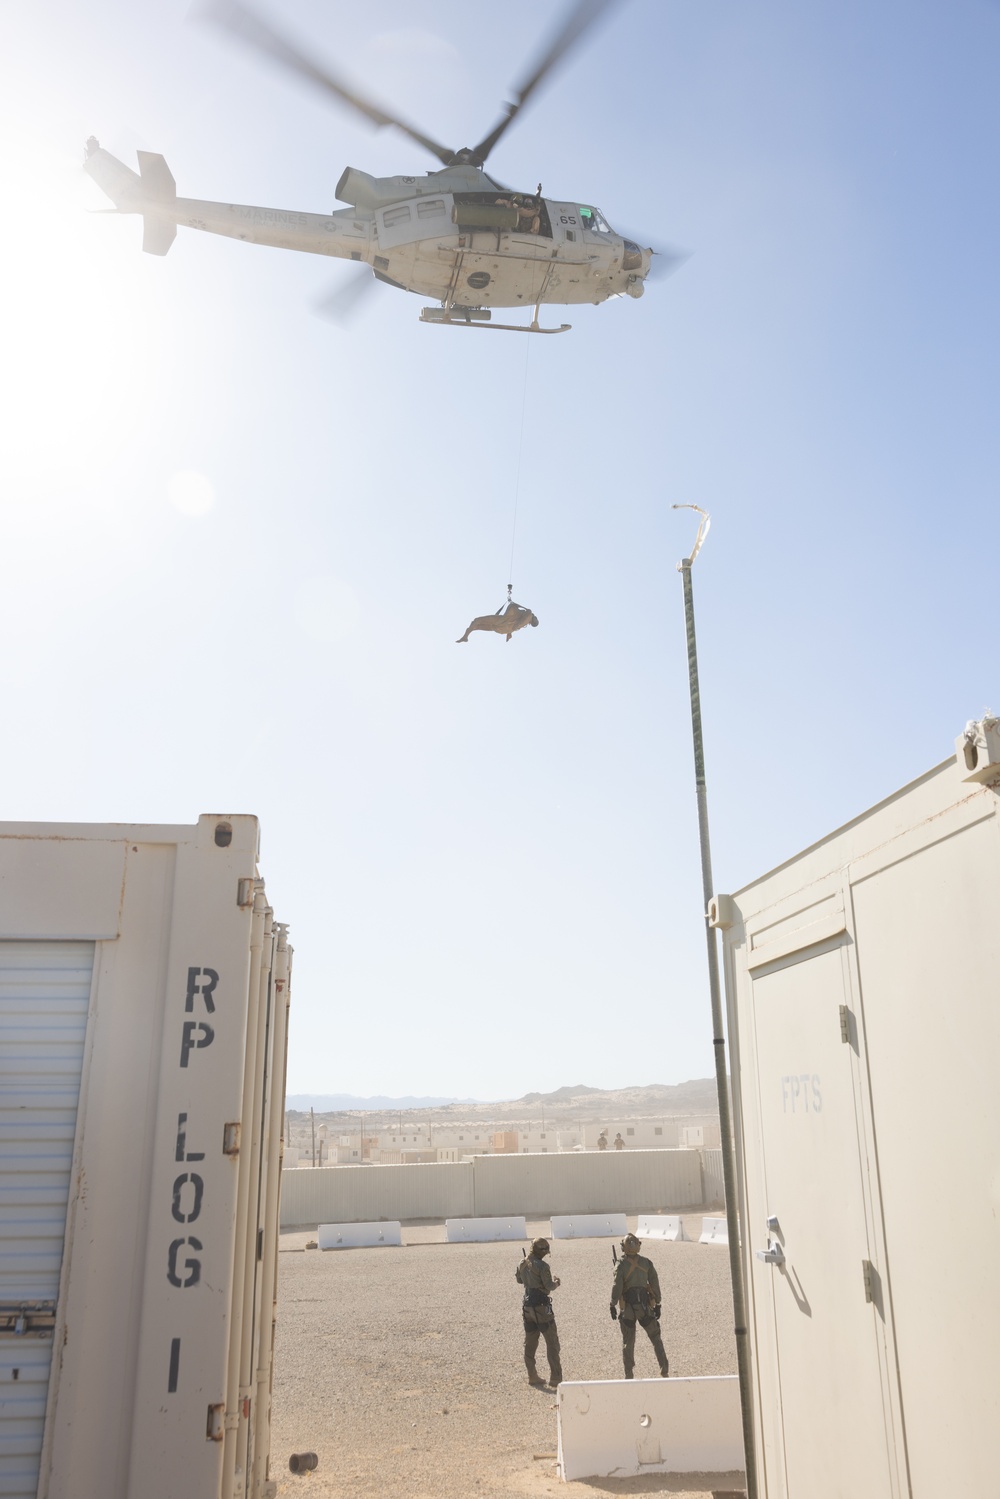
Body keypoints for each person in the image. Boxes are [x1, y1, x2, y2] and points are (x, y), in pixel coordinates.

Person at [609, 1233, 669, 1378]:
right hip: (644, 1307)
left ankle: (629, 1374)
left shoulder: (621, 1265)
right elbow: (655, 1284)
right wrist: (658, 1303)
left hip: (628, 1308)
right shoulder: (646, 1263)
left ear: (623, 1248)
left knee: (628, 1342)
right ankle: (664, 1369)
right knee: (655, 1337)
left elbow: (617, 1286)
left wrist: (612, 1303)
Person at [515, 1238, 563, 1389]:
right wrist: (557, 1282)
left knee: (530, 1343)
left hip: (528, 1307)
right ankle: (555, 1378)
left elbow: (519, 1280)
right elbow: (549, 1286)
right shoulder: (543, 1266)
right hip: (542, 1307)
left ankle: (532, 1375)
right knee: (552, 1342)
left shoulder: (522, 1263)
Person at [457, 600, 538, 643]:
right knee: (477, 626)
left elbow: (516, 625)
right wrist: (509, 632)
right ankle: (465, 637)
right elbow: (516, 624)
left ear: (534, 620)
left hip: (501, 621)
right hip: (503, 629)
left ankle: (465, 637)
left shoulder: (528, 614)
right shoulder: (525, 621)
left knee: (477, 621)